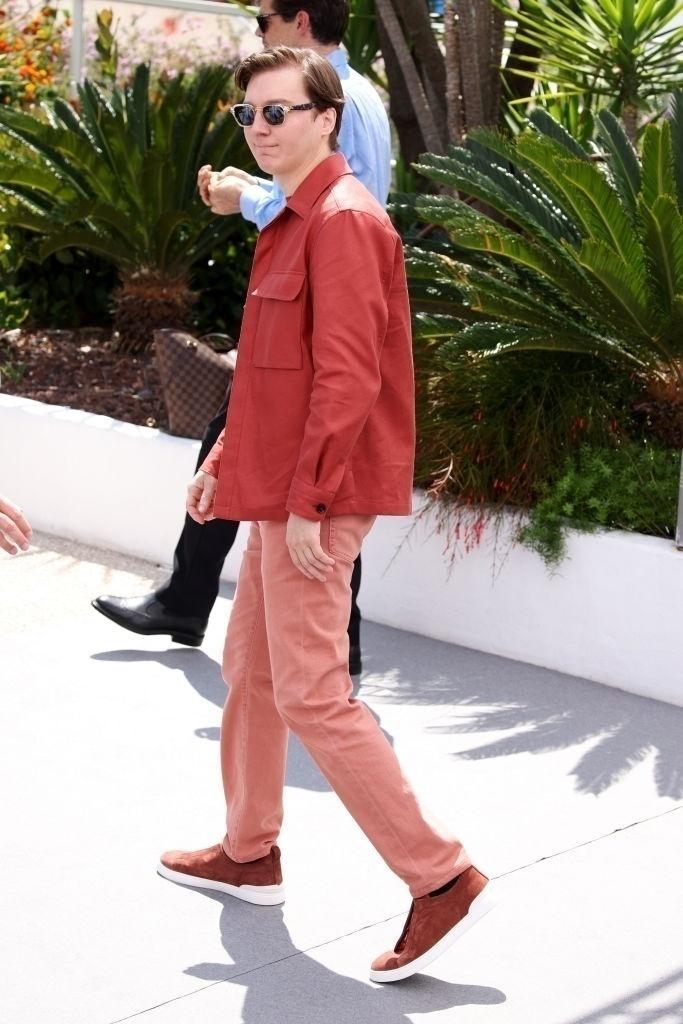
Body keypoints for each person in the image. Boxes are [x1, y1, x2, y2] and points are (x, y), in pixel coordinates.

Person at [157, 46, 496, 984]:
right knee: (251, 670)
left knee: (309, 688)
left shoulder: (344, 222)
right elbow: (269, 360)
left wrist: (308, 503)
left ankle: (441, 878)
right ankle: (248, 850)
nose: (260, 130)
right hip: (279, 488)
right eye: (248, 117)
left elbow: (348, 379)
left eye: (277, 113)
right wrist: (225, 460)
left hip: (320, 495)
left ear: (326, 116)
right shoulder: (292, 217)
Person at [91, 0, 391, 675]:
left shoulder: (342, 104)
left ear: (302, 21)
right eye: (248, 116)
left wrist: (245, 198)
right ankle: (201, 603)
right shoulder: (344, 96)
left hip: (314, 336)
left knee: (304, 477)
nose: (257, 34)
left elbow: (336, 212)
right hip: (297, 331)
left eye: (264, 21)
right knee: (234, 449)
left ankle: (321, 643)